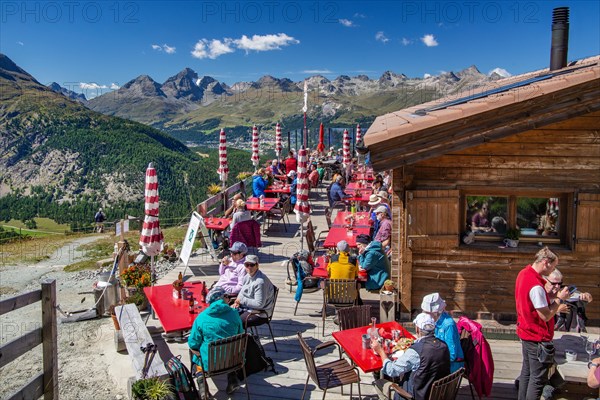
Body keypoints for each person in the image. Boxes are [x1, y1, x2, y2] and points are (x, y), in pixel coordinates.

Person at [515, 247, 570, 400]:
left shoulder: (523, 274)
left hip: (525, 331)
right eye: (553, 266)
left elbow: (531, 301)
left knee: (527, 373)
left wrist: (550, 295)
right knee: (538, 379)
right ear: (546, 262)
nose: (553, 269)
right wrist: (559, 300)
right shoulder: (536, 286)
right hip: (536, 337)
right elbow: (545, 315)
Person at [373, 313, 450, 400]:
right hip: (436, 394)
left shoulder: (416, 352)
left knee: (378, 383)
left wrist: (380, 351)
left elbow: (391, 370)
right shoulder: (444, 346)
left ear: (417, 329)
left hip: (412, 396)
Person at [188, 286, 244, 396]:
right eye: (226, 296)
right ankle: (232, 378)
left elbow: (193, 343)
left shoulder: (201, 317)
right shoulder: (234, 313)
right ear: (222, 299)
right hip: (233, 360)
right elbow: (240, 333)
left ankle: (203, 387)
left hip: (210, 363)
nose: (228, 299)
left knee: (195, 357)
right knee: (230, 348)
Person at [421, 293, 464, 373]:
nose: (425, 315)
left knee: (419, 370)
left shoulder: (448, 325)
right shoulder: (438, 321)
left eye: (427, 312)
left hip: (451, 365)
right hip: (442, 360)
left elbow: (452, 355)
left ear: (435, 312)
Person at [232, 255, 275, 328]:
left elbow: (259, 304)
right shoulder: (247, 276)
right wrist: (237, 302)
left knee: (235, 322)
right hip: (248, 308)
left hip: (261, 313)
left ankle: (242, 338)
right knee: (227, 316)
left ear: (257, 265)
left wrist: (241, 300)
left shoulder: (260, 282)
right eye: (246, 265)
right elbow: (242, 292)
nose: (249, 267)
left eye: (252, 265)